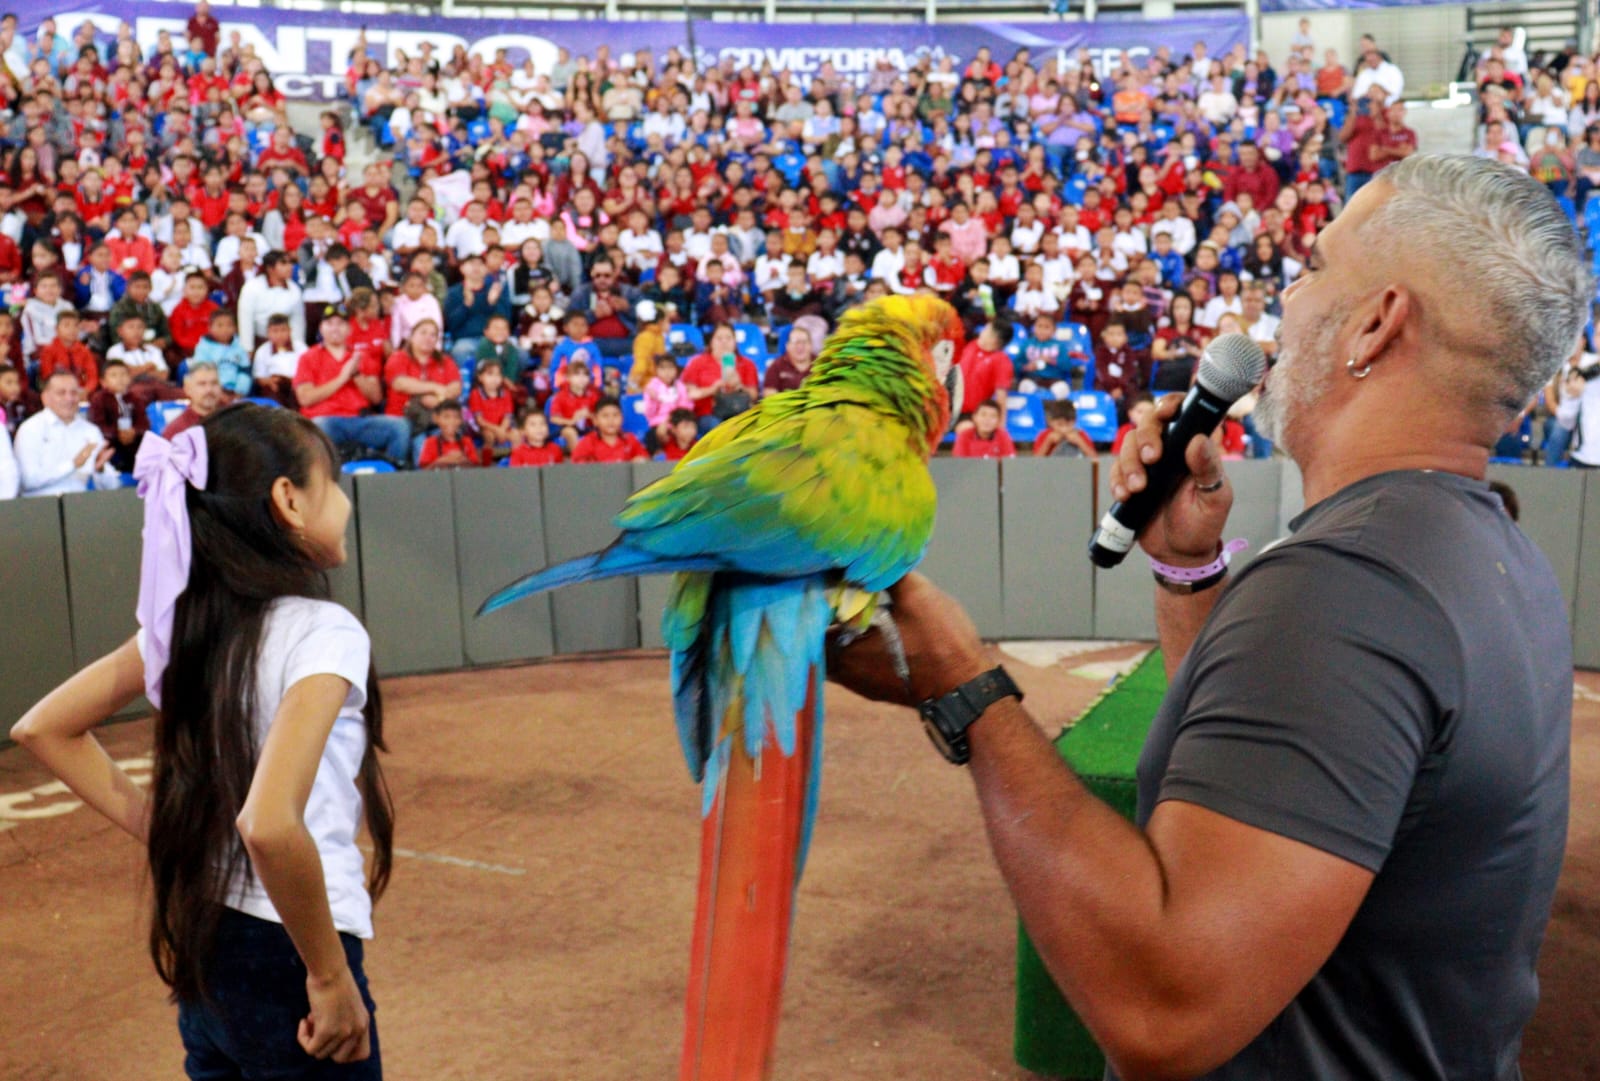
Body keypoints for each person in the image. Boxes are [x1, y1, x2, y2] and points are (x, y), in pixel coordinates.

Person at [826, 155, 1588, 1080]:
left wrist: (965, 690)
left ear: (1378, 324)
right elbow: (1278, 781)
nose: (1285, 302)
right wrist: (1189, 571)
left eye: (1311, 266)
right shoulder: (1489, 551)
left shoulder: (1347, 590)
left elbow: (1162, 1005)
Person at [11, 405, 392, 1079]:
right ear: (288, 500)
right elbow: (270, 824)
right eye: (331, 482)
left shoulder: (187, 626)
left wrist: (167, 832)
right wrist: (331, 978)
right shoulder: (325, 630)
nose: (346, 502)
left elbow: (44, 726)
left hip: (206, 937)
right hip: (290, 952)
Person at [294, 306, 409, 467]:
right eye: (330, 323)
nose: (335, 328)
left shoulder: (361, 356)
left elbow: (376, 397)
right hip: (327, 420)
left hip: (359, 420)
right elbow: (305, 398)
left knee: (400, 427)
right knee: (318, 427)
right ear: (321, 328)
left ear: (349, 329)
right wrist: (342, 377)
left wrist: (356, 375)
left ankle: (388, 472)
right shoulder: (308, 357)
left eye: (340, 324)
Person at [14, 370, 119, 495]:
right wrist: (73, 464)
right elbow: (28, 481)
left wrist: (101, 470)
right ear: (45, 398)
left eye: (74, 393)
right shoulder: (30, 429)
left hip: (81, 505)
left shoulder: (90, 430)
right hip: (39, 506)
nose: (69, 398)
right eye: (61, 393)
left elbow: (113, 487)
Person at [236, 252, 306, 355]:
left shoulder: (294, 290)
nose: (290, 267)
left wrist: (298, 350)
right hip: (259, 342)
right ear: (270, 268)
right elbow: (246, 321)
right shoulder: (252, 287)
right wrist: (248, 350)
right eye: (283, 263)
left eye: (290, 263)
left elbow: (298, 324)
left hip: (285, 344)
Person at [88, 360, 148, 473]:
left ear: (130, 378)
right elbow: (97, 426)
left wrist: (134, 431)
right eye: (114, 375)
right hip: (111, 446)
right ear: (103, 382)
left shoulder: (135, 398)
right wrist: (117, 433)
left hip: (133, 446)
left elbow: (144, 424)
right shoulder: (99, 399)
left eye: (123, 374)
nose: (120, 379)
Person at [571, 397, 649, 463]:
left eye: (615, 415)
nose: (611, 420)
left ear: (622, 418)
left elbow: (644, 458)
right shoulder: (588, 442)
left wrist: (639, 460)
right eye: (605, 416)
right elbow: (578, 465)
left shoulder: (629, 439)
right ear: (595, 420)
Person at [162, 362, 225, 438]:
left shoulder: (231, 420)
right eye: (202, 384)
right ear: (188, 389)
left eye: (214, 383)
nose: (209, 390)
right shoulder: (176, 431)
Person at [416, 400, 480, 469]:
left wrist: (463, 460)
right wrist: (443, 460)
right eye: (446, 417)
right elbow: (425, 471)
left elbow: (475, 468)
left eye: (456, 417)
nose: (451, 421)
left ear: (461, 420)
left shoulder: (466, 441)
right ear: (436, 419)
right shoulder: (431, 442)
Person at [951, 399, 1016, 459]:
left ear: (998, 421)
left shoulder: (1003, 436)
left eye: (993, 416)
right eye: (983, 415)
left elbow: (1009, 463)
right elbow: (959, 463)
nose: (987, 420)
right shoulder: (964, 436)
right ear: (974, 417)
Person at [1033, 399, 1097, 458]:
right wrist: (1048, 442)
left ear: (1075, 421)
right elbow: (1035, 461)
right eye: (1060, 424)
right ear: (1050, 422)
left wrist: (1080, 442)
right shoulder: (1044, 435)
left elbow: (1095, 460)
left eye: (1068, 424)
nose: (1064, 429)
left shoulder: (1081, 434)